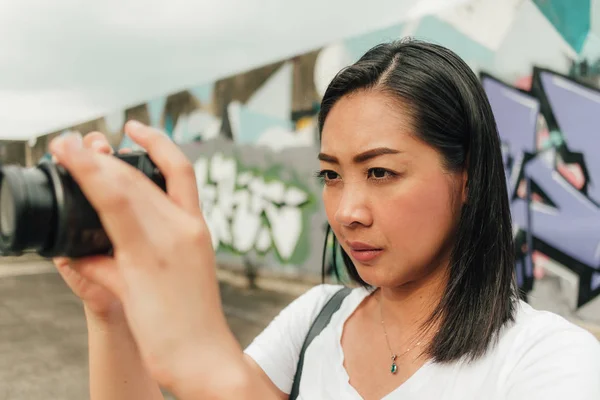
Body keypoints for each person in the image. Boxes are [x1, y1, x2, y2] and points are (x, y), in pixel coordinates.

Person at [49, 39, 600, 400]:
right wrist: (111, 315)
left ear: (468, 179)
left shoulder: (549, 362)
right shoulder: (316, 320)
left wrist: (205, 361)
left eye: (381, 172)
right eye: (331, 175)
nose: (346, 212)